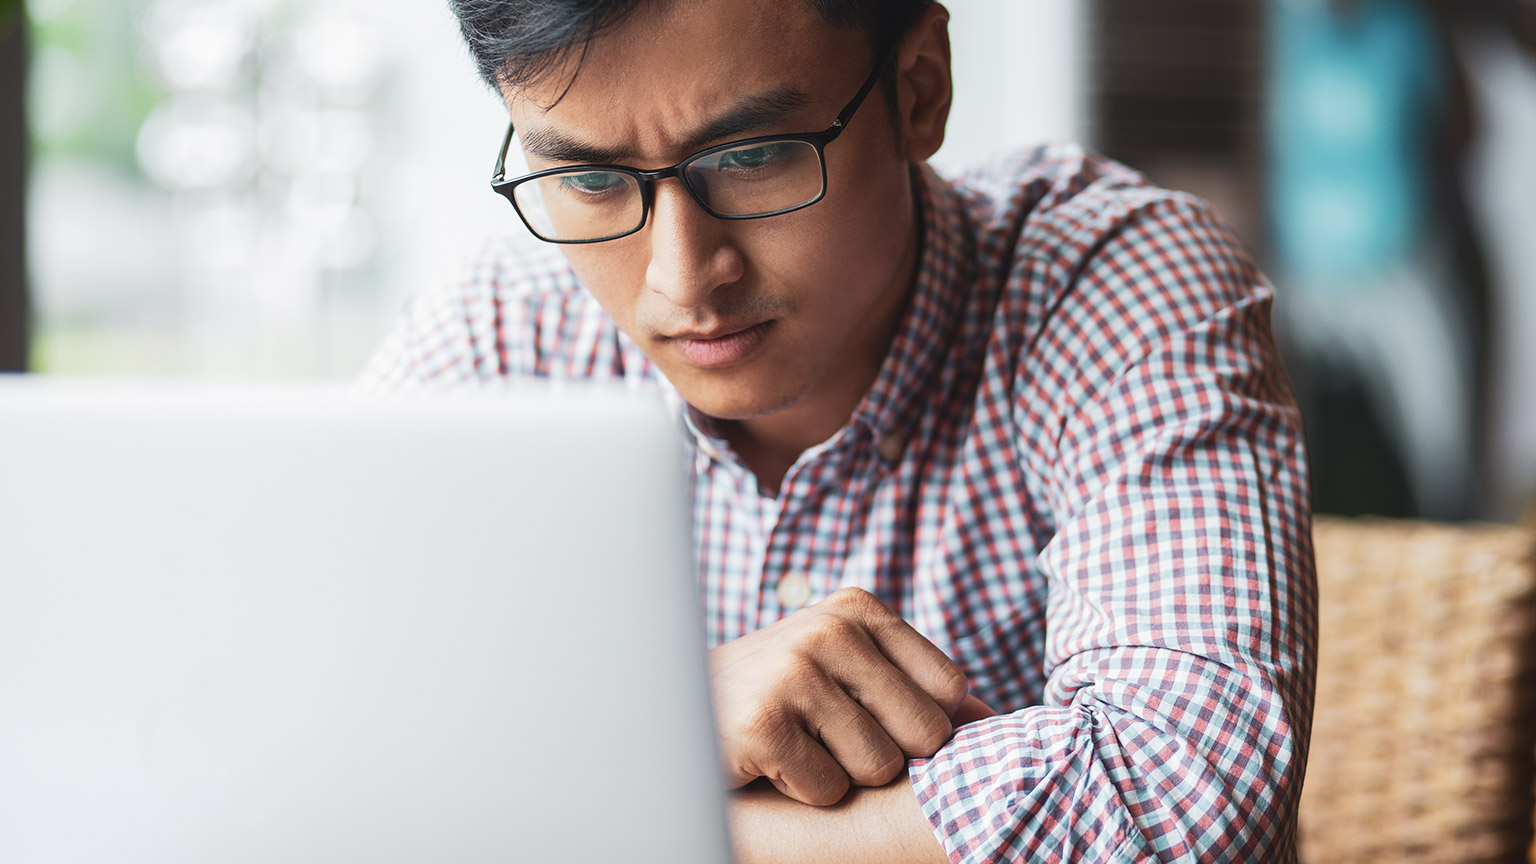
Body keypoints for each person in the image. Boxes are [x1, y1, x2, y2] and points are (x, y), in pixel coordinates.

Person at [363, 1, 1317, 861]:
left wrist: (613, 781)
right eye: (589, 178)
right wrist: (671, 721)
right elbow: (313, 742)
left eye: (750, 157)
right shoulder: (503, 332)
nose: (682, 278)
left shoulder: (1112, 285)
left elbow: (1189, 801)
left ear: (919, 90)